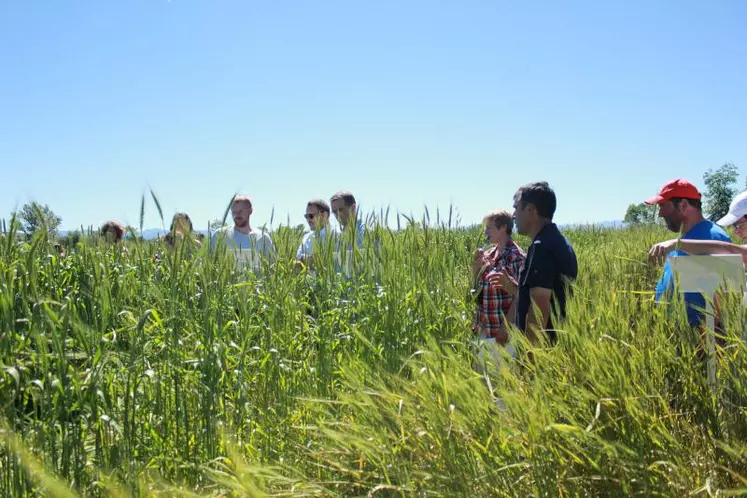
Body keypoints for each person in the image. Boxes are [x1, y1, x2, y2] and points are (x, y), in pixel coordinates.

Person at [491, 181, 577, 346]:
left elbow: (539, 308)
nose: (513, 215)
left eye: (516, 207)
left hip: (544, 351)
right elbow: (549, 295)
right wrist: (515, 287)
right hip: (558, 344)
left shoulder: (542, 247)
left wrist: (531, 361)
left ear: (530, 210)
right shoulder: (559, 241)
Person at [644, 179, 730, 327]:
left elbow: (724, 298)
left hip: (697, 342)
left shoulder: (713, 238)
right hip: (678, 338)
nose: (660, 213)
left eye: (663, 206)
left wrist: (704, 343)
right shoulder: (683, 239)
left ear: (683, 205)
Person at [471, 210, 526, 364]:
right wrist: (475, 267)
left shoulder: (516, 257)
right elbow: (476, 291)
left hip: (503, 332)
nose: (485, 232)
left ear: (503, 228)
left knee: (503, 380)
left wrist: (506, 326)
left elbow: (521, 294)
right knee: (483, 381)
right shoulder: (488, 255)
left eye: (489, 227)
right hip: (484, 328)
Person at [649, 189, 747, 263]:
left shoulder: (712, 234)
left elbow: (732, 251)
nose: (737, 233)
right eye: (734, 227)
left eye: (739, 225)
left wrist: (677, 244)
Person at [210, 195, 276, 271]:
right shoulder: (220, 235)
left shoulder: (263, 238)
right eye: (234, 212)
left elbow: (272, 267)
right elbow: (212, 265)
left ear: (250, 210)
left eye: (241, 211)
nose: (237, 215)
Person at [296, 199, 337, 268]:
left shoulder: (336, 236)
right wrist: (314, 259)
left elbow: (334, 261)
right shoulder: (306, 237)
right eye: (306, 216)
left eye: (311, 216)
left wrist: (305, 260)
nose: (308, 220)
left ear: (324, 215)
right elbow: (297, 262)